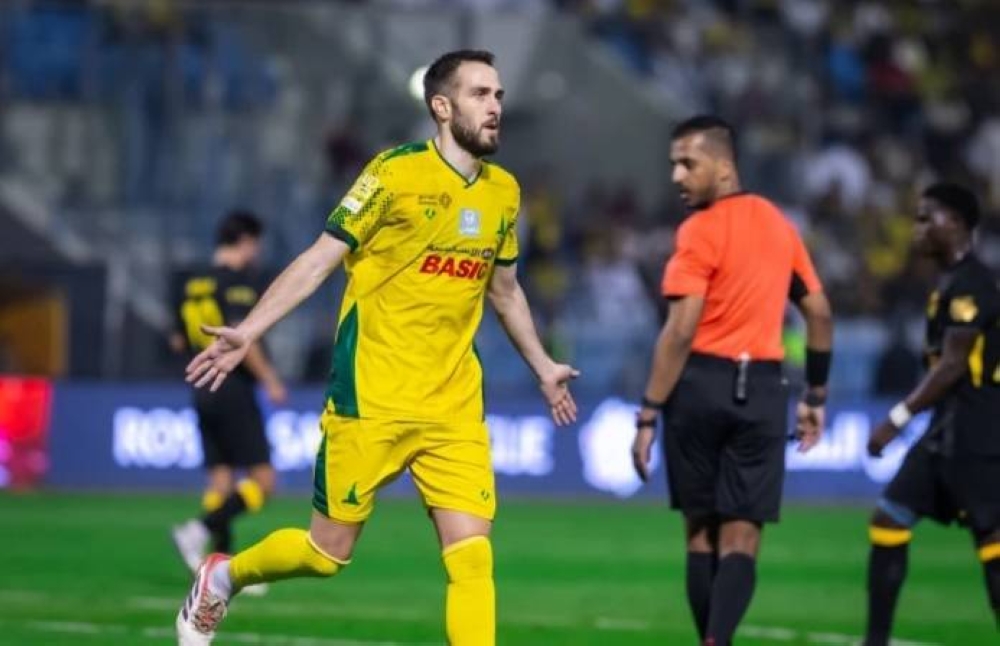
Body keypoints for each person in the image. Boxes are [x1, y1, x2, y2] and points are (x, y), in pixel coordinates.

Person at [174, 49, 579, 646]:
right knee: (325, 553)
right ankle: (223, 577)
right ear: (442, 107)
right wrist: (251, 328)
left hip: (453, 406)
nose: (495, 106)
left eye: (498, 95)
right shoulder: (393, 174)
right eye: (479, 94)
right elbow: (320, 258)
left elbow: (506, 290)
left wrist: (542, 365)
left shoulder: (504, 192)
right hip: (372, 395)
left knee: (472, 558)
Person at [631, 115, 834, 646]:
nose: (676, 176)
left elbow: (680, 329)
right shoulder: (778, 225)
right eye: (673, 164)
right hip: (762, 390)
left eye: (687, 164)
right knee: (742, 538)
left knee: (701, 534)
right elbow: (819, 312)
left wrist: (648, 413)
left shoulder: (699, 229)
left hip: (699, 385)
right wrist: (816, 393)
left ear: (723, 167)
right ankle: (718, 641)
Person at [864, 183, 1000, 644]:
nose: (917, 228)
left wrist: (896, 419)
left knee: (992, 544)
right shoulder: (946, 285)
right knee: (888, 517)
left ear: (956, 224)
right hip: (945, 429)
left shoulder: (973, 283)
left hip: (980, 433)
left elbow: (954, 364)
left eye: (927, 219)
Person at [169, 211, 287, 581]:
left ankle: (220, 571)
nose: (258, 251)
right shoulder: (236, 282)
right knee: (264, 482)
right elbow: (241, 338)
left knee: (220, 482)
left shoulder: (190, 282)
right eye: (256, 244)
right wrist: (270, 379)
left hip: (201, 386)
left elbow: (177, 340)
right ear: (246, 241)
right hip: (232, 385)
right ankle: (198, 530)